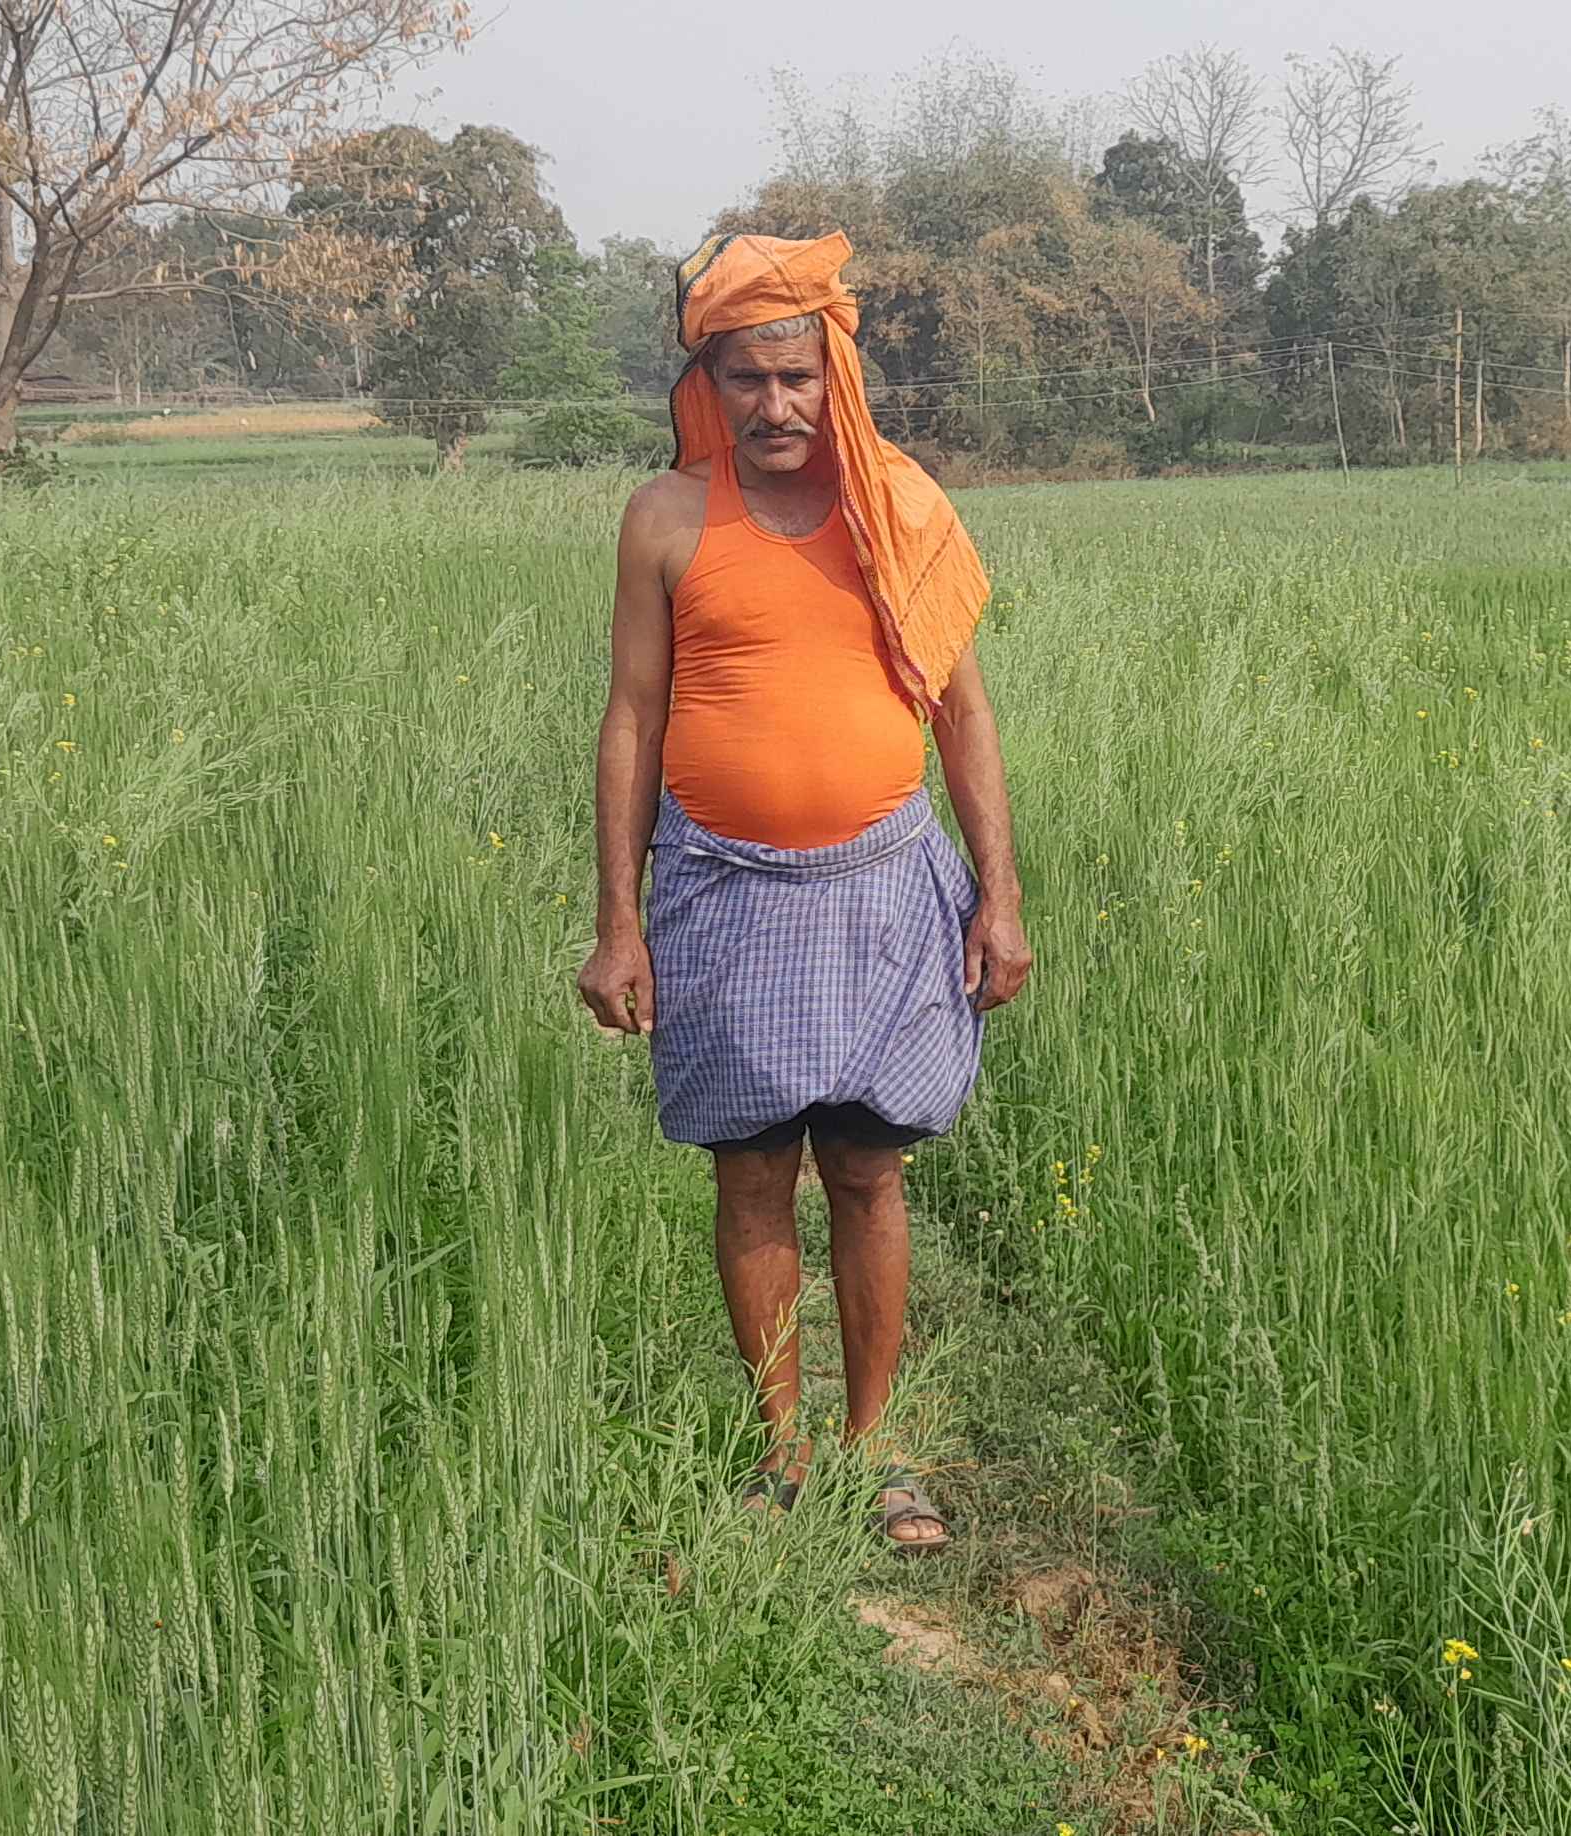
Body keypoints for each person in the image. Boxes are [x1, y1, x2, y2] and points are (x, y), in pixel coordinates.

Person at [576, 232, 1031, 1555]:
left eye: (798, 377)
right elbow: (633, 717)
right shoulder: (665, 521)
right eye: (746, 379)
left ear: (838, 373)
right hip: (720, 893)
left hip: (886, 886)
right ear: (708, 384)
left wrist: (999, 897)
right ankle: (781, 1456)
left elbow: (964, 714)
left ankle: (875, 1450)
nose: (775, 406)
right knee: (754, 1172)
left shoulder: (904, 510)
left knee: (869, 1167)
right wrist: (618, 922)